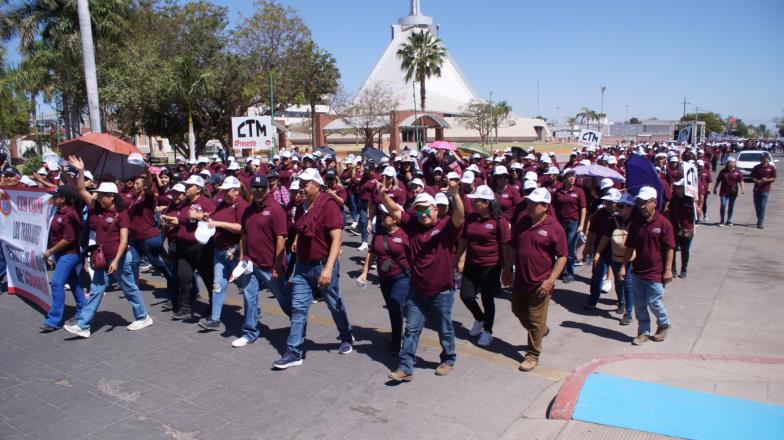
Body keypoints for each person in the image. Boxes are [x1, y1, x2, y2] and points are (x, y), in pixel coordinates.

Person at [383, 178, 465, 382]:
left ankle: (448, 359)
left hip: (442, 291)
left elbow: (460, 215)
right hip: (417, 290)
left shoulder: (446, 227)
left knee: (444, 328)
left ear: (436, 209)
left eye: (426, 209)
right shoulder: (412, 226)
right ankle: (405, 367)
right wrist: (383, 196)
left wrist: (455, 195)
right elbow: (394, 210)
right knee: (411, 329)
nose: (423, 213)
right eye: (418, 210)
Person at [273, 168, 354, 369]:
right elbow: (302, 226)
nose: (302, 186)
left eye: (306, 183)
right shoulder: (302, 206)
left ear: (317, 186)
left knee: (333, 302)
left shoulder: (329, 205)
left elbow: (337, 239)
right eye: (301, 182)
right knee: (298, 307)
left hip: (322, 265)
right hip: (302, 267)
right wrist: (298, 239)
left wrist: (328, 269)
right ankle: (294, 351)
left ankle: (346, 335)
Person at [64, 157, 152, 338]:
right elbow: (80, 189)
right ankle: (83, 325)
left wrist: (117, 261)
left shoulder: (122, 215)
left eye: (102, 194)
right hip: (102, 257)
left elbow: (124, 240)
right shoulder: (96, 208)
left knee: (129, 287)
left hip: (118, 258)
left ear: (111, 196)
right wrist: (80, 171)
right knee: (96, 290)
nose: (97, 196)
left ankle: (143, 317)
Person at [502, 188, 567, 372]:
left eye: (534, 203)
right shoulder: (522, 220)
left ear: (545, 206)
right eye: (529, 202)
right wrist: (506, 269)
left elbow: (562, 257)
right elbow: (513, 247)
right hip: (520, 280)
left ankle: (532, 354)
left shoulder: (555, 228)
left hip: (540, 283)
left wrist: (550, 281)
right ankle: (540, 330)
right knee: (517, 309)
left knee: (535, 319)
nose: (529, 206)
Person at [232, 175, 289, 348]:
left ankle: (298, 321)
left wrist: (277, 266)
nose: (257, 192)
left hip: (270, 265)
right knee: (249, 297)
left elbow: (281, 237)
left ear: (267, 189)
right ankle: (250, 332)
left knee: (283, 297)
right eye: (254, 189)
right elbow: (243, 235)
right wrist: (242, 257)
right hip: (251, 263)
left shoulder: (275, 209)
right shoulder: (248, 210)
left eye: (261, 189)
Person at [455, 185, 510, 347]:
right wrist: (458, 258)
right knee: (466, 295)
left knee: (487, 299)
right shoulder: (470, 218)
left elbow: (506, 246)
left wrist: (506, 269)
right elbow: (464, 240)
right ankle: (480, 318)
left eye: (477, 201)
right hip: (472, 264)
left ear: (486, 203)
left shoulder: (499, 221)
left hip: (491, 266)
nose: (473, 203)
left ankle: (487, 331)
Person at [619, 186, 674, 345]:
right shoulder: (636, 224)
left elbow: (670, 248)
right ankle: (643, 331)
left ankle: (664, 324)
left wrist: (668, 270)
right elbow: (630, 247)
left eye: (645, 202)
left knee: (654, 302)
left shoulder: (664, 224)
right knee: (640, 304)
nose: (641, 206)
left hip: (656, 273)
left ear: (654, 203)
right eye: (639, 202)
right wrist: (623, 266)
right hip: (638, 271)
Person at [357, 202, 411, 355]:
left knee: (394, 304)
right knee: (393, 308)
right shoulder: (379, 234)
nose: (382, 217)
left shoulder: (405, 234)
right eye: (381, 214)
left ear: (395, 218)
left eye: (386, 215)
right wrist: (364, 272)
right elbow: (372, 252)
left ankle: (399, 340)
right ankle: (397, 335)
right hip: (384, 277)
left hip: (402, 277)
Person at [198, 176, 249, 332]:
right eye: (223, 191)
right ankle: (215, 319)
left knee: (245, 284)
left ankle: (254, 310)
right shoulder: (220, 204)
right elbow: (212, 217)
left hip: (234, 251)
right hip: (219, 251)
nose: (224, 194)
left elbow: (241, 228)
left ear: (236, 191)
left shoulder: (241, 205)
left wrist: (219, 223)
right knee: (218, 285)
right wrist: (206, 218)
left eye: (228, 191)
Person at [163, 175, 216, 320]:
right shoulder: (185, 204)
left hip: (201, 248)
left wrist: (199, 216)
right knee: (184, 278)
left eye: (189, 186)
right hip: (184, 248)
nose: (186, 189)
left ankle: (214, 307)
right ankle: (185, 308)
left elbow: (214, 220)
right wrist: (168, 220)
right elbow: (179, 219)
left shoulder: (207, 202)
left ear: (198, 189)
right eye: (186, 186)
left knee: (208, 279)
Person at [40, 186, 86, 331]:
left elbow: (68, 239)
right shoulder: (59, 212)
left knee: (56, 283)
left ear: (63, 199)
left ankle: (53, 320)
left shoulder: (69, 214)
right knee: (74, 283)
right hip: (62, 254)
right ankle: (83, 309)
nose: (53, 198)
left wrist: (50, 251)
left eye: (56, 196)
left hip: (69, 254)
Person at [593, 193, 636, 325]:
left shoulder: (636, 221)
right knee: (618, 282)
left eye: (621, 206)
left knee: (628, 284)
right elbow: (605, 237)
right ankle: (621, 302)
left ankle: (628, 313)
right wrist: (598, 253)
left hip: (630, 259)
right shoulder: (614, 220)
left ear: (630, 208)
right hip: (615, 256)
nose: (618, 208)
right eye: (618, 205)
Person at [552, 169, 586, 283]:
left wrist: (581, 224)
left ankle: (569, 273)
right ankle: (561, 270)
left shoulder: (579, 191)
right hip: (560, 223)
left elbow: (583, 208)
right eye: (570, 176)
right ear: (564, 178)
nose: (572, 178)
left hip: (573, 223)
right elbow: (553, 208)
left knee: (570, 249)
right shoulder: (558, 192)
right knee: (560, 248)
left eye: (574, 176)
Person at [668, 180, 696, 278]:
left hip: (687, 229)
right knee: (673, 248)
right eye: (676, 187)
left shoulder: (690, 199)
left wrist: (695, 204)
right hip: (675, 228)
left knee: (685, 250)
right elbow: (669, 210)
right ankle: (673, 269)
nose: (677, 189)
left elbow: (698, 214)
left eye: (679, 187)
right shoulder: (674, 199)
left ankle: (684, 270)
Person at [712, 157, 744, 226]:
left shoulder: (737, 172)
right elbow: (718, 180)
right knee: (723, 205)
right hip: (724, 191)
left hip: (733, 191)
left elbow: (741, 181)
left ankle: (729, 220)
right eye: (730, 162)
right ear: (727, 163)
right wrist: (715, 188)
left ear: (735, 163)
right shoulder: (723, 171)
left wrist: (742, 189)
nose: (731, 164)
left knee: (731, 206)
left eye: (733, 162)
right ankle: (722, 220)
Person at [750, 154, 776, 229]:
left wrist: (767, 180)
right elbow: (752, 177)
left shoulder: (771, 168)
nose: (764, 160)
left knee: (762, 205)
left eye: (765, 159)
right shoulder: (756, 167)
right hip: (756, 189)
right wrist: (757, 181)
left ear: (767, 159)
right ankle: (759, 217)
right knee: (757, 205)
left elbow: (774, 178)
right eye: (762, 159)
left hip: (765, 189)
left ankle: (760, 222)